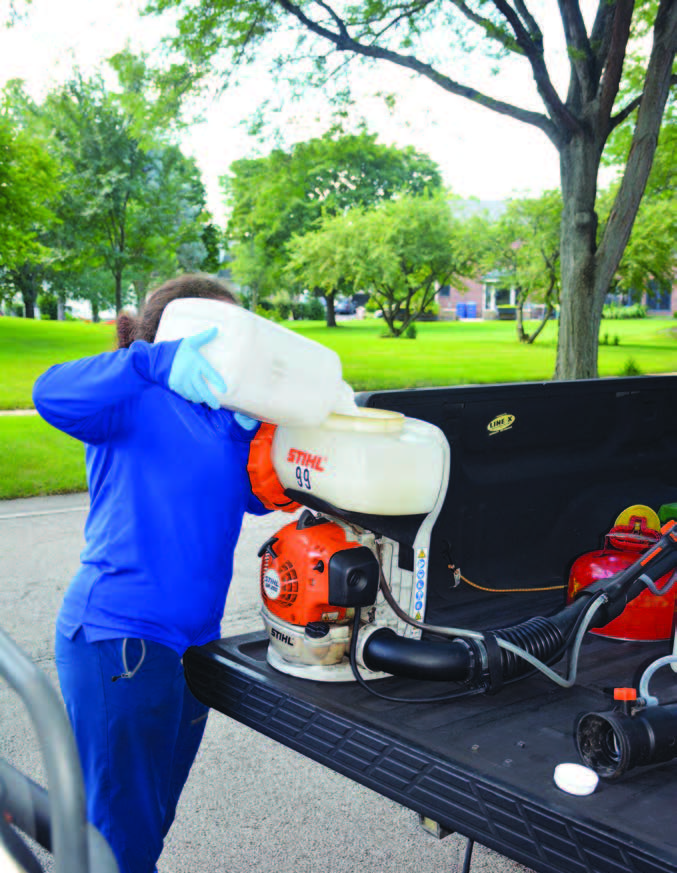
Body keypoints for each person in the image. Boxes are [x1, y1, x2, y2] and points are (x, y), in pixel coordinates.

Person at [33, 274, 270, 873]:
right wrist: (151, 363)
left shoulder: (222, 417)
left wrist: (275, 441)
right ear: (179, 337)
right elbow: (50, 393)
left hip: (191, 647)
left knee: (147, 820)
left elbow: (256, 497)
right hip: (121, 638)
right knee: (119, 834)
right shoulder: (130, 396)